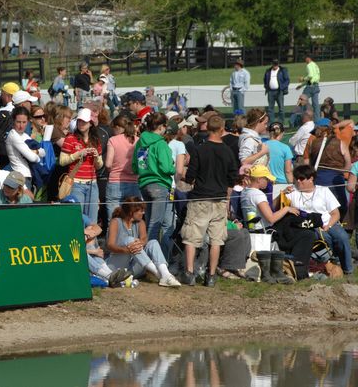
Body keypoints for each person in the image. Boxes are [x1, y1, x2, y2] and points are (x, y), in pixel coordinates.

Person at [180, 115, 238, 287]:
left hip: (199, 199)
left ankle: (189, 273)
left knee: (192, 237)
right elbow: (232, 178)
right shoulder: (228, 151)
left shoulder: (199, 149)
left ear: (206, 129)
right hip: (219, 200)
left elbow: (190, 177)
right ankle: (211, 276)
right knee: (216, 240)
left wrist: (186, 177)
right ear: (222, 129)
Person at [240, 166, 308, 282]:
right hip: (264, 231)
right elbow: (271, 218)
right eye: (266, 179)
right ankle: (296, 270)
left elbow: (267, 209)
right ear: (259, 179)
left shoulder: (245, 192)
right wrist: (287, 209)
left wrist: (282, 195)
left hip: (254, 229)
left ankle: (280, 270)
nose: (269, 181)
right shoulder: (258, 194)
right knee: (305, 235)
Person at [285, 165, 353, 275]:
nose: (298, 181)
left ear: (311, 179)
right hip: (307, 225)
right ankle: (329, 263)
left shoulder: (323, 191)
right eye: (296, 178)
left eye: (301, 178)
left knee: (342, 237)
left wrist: (328, 225)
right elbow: (276, 207)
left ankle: (347, 269)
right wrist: (282, 194)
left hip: (327, 222)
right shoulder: (292, 192)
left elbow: (336, 214)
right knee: (325, 237)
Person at [106, 197, 181, 287]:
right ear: (131, 212)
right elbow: (110, 245)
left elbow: (144, 239)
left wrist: (138, 244)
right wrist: (126, 250)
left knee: (153, 242)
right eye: (141, 211)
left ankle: (165, 274)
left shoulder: (140, 222)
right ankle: (160, 275)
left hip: (133, 267)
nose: (143, 213)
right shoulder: (116, 221)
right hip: (117, 265)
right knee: (130, 240)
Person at [132, 112, 176, 258]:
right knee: (155, 224)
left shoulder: (140, 142)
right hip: (159, 185)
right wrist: (174, 167)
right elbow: (166, 167)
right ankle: (151, 259)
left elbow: (135, 166)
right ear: (161, 127)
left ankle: (148, 257)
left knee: (150, 222)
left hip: (144, 185)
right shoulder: (160, 143)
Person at [60, 108, 103, 223]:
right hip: (76, 183)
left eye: (84, 122)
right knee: (77, 219)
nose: (81, 124)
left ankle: (91, 241)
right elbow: (62, 161)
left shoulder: (95, 140)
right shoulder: (70, 138)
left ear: (90, 124)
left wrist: (96, 157)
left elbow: (99, 166)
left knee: (92, 221)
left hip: (92, 184)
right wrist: (78, 154)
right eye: (79, 121)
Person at [308, 118, 351, 219]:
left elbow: (310, 164)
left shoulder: (312, 143)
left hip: (318, 179)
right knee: (340, 207)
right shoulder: (341, 143)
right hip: (335, 180)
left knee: (320, 209)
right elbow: (348, 165)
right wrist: (340, 171)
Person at [105, 115, 140, 220]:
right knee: (132, 220)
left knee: (114, 220)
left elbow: (108, 164)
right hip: (134, 182)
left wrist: (111, 170)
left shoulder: (113, 140)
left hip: (115, 181)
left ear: (117, 127)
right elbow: (142, 164)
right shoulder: (139, 140)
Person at [6, 106, 44, 187]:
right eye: (18, 122)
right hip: (18, 176)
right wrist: (36, 153)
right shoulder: (13, 135)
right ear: (13, 121)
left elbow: (43, 152)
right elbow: (33, 158)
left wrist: (36, 152)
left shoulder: (24, 135)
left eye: (24, 122)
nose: (21, 125)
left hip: (27, 176)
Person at [266, 122, 294, 196]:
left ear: (269, 132)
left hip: (266, 183)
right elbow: (288, 171)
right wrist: (291, 184)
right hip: (282, 184)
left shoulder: (262, 145)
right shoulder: (285, 148)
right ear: (282, 133)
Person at [263, 59, 290, 124]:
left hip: (279, 91)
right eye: (274, 64)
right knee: (270, 108)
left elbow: (287, 80)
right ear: (272, 64)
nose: (275, 66)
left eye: (276, 64)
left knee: (281, 108)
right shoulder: (268, 71)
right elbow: (265, 79)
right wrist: (266, 86)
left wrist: (282, 87)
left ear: (278, 64)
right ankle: (271, 122)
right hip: (270, 91)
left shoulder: (282, 70)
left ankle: (281, 122)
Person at [296, 55, 321, 121]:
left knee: (301, 101)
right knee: (316, 105)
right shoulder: (315, 65)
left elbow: (310, 76)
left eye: (305, 58)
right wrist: (301, 85)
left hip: (310, 87)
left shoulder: (309, 65)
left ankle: (299, 120)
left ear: (308, 58)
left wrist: (303, 79)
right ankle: (317, 121)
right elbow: (312, 78)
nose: (305, 60)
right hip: (316, 86)